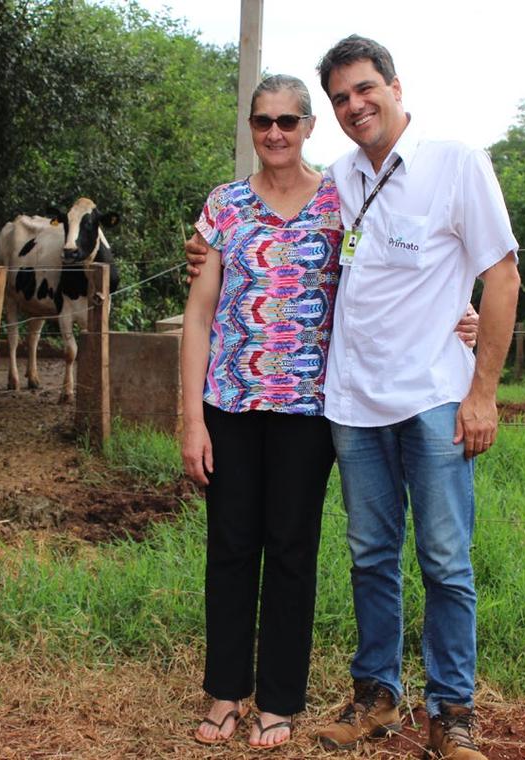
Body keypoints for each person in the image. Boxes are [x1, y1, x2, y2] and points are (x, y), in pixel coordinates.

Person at [186, 35, 520, 760]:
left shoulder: (454, 163)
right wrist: (203, 250)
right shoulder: (340, 180)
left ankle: (451, 711)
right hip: (349, 402)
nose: (353, 105)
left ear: (395, 87)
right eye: (340, 97)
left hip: (429, 397)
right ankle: (376, 698)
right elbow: (288, 269)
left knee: (443, 557)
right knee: (369, 553)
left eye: (363, 89)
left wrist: (481, 388)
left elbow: (501, 275)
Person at [182, 74, 340, 750]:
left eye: (287, 120)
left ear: (308, 126)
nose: (274, 132)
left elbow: (396, 274)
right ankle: (224, 694)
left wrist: (460, 311)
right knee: (231, 547)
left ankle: (277, 701)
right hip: (231, 404)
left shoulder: (342, 199)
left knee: (292, 551)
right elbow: (197, 315)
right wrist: (191, 419)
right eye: (262, 120)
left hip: (309, 409)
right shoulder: (223, 204)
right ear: (250, 126)